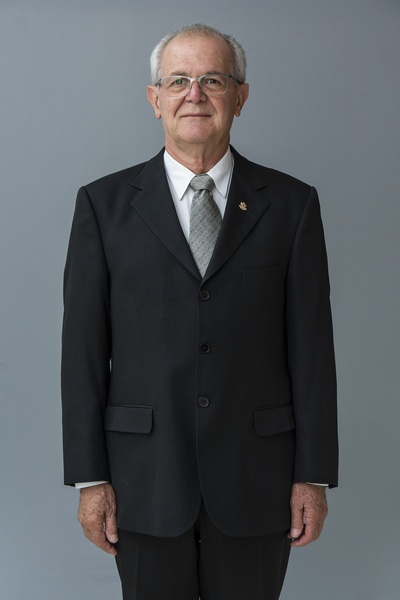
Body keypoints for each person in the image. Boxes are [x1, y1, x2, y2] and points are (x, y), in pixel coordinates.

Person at [61, 23, 338, 600]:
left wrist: (312, 475)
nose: (195, 94)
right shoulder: (103, 206)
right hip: (143, 479)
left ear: (240, 96)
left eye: (213, 79)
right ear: (154, 97)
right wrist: (90, 479)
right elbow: (82, 353)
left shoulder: (292, 205)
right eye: (178, 81)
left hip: (257, 478)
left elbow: (312, 351)